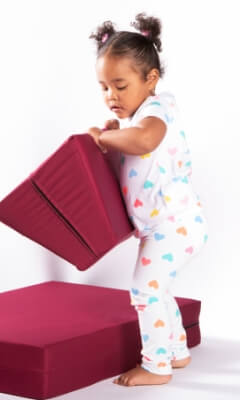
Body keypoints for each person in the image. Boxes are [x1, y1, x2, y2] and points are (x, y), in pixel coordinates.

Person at [87, 12, 209, 387]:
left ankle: (157, 366)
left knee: (144, 291)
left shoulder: (156, 111)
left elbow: (145, 141)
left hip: (172, 225)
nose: (111, 96)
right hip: (170, 224)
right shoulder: (141, 115)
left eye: (120, 86)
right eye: (104, 87)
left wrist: (105, 139)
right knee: (159, 288)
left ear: (150, 79)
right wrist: (115, 132)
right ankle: (177, 349)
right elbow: (134, 143)